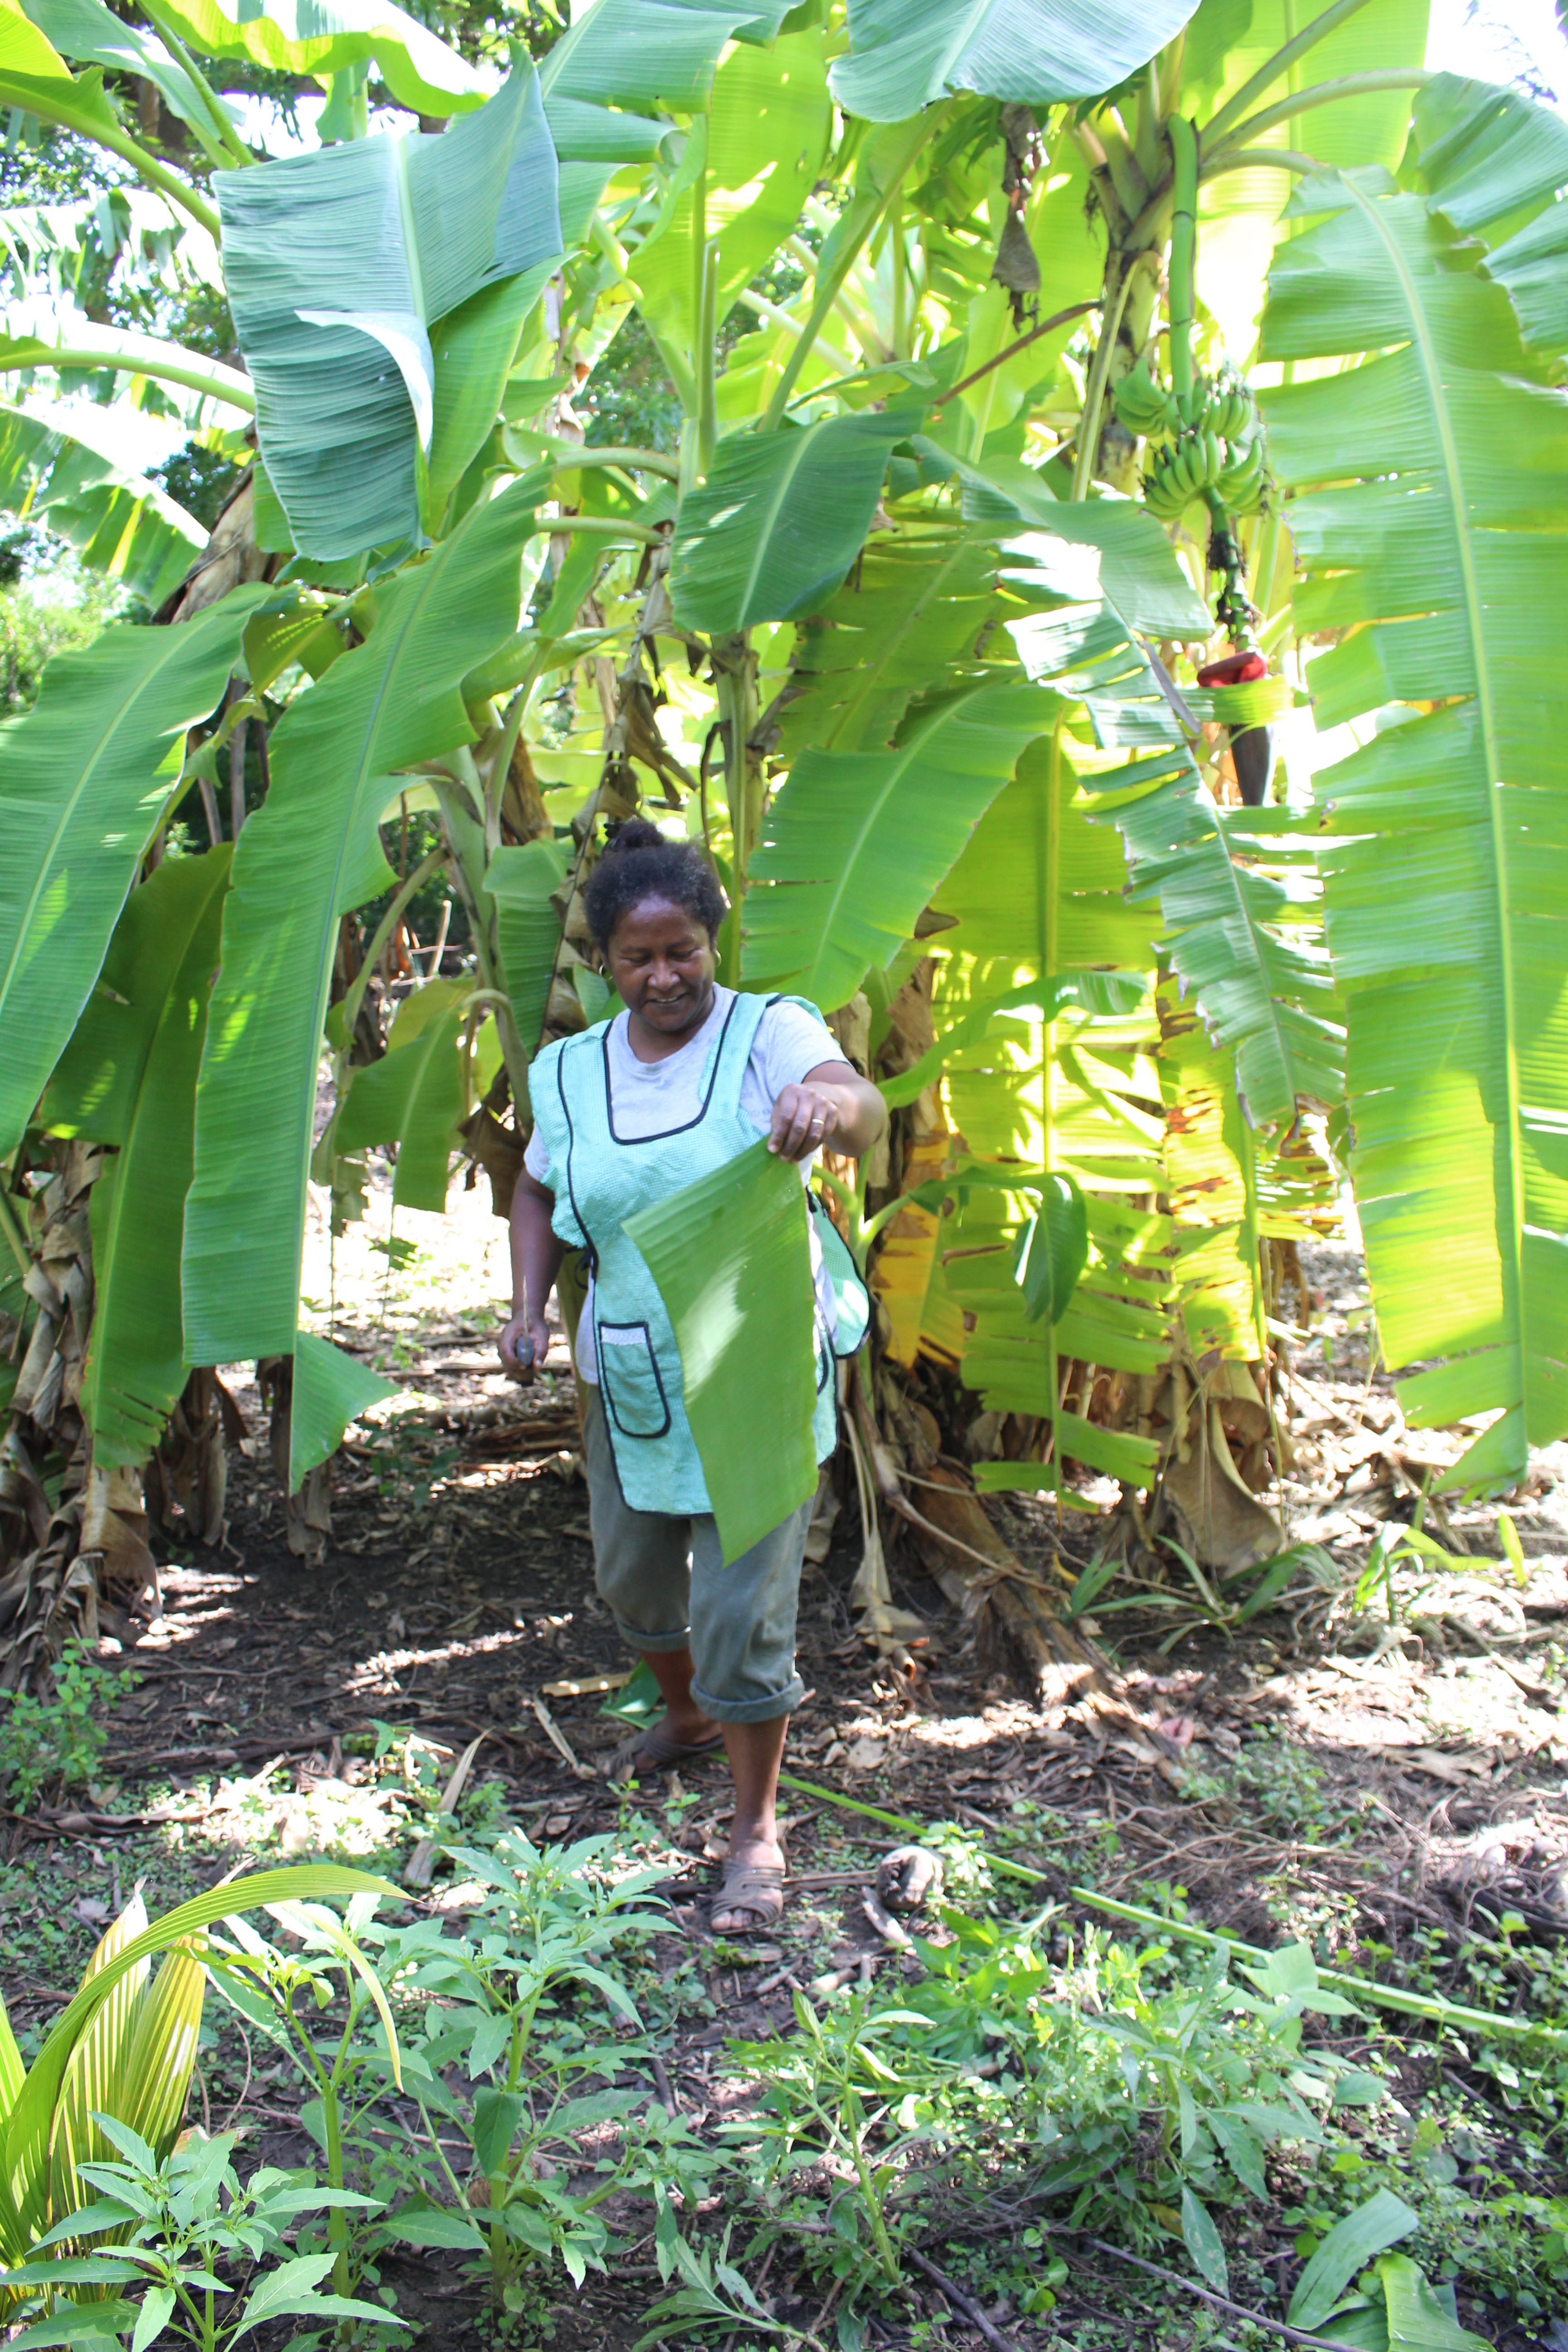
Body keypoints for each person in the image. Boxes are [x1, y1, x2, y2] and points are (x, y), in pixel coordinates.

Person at [498, 821, 886, 1932]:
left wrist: (831, 1108)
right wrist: (527, 1308)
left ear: (715, 942)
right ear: (604, 963)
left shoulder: (771, 1031)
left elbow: (860, 1105)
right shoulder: (571, 1069)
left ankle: (755, 1828)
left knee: (738, 1607)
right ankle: (685, 1716)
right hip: (631, 1365)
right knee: (634, 1581)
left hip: (754, 1359)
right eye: (638, 957)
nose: (664, 976)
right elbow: (536, 1191)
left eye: (685, 952)